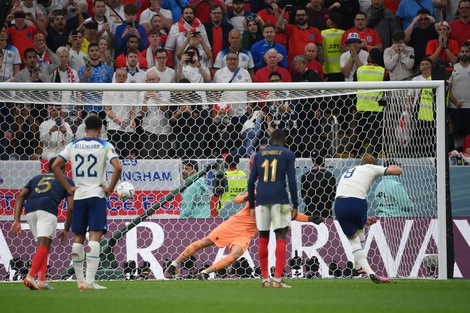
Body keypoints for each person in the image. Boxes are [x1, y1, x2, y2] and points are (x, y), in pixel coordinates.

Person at [163, 191, 323, 280]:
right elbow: (238, 199)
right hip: (233, 224)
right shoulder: (256, 192)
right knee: (204, 242)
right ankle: (174, 264)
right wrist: (249, 197)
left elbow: (292, 214)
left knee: (236, 254)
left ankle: (205, 273)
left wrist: (310, 219)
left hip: (246, 233)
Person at [51, 115, 122, 290]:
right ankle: (90, 282)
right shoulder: (105, 145)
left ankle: (80, 281)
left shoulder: (73, 145)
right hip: (96, 194)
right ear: (101, 130)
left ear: (83, 129)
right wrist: (110, 188)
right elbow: (118, 166)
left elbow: (54, 166)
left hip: (79, 195)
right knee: (95, 236)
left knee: (78, 237)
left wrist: (68, 187)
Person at [334, 154, 402, 284]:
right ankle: (369, 271)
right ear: (373, 164)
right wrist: (393, 166)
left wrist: (364, 219)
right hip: (357, 203)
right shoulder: (371, 168)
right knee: (359, 234)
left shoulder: (350, 170)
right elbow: (397, 171)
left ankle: (357, 268)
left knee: (355, 239)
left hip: (339, 204)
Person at [11, 157, 74, 290]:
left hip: (30, 210)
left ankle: (42, 281)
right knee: (44, 245)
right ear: (63, 169)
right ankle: (30, 276)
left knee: (43, 245)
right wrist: (67, 229)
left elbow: (21, 196)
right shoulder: (66, 180)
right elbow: (71, 207)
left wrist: (16, 219)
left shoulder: (36, 179)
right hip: (47, 208)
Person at [247, 129, 299, 288]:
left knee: (263, 237)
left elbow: (250, 182)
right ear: (285, 140)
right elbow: (291, 181)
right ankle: (277, 280)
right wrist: (295, 204)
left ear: (270, 139)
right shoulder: (288, 154)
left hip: (262, 199)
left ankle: (264, 280)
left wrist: (251, 205)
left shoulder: (259, 154)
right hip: (280, 198)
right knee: (281, 236)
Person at [448, 44, 470, 150]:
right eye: (462, 51)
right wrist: (456, 102)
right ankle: (454, 156)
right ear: (458, 54)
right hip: (455, 108)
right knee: (454, 135)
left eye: (467, 51)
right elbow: (447, 89)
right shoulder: (453, 69)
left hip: (469, 107)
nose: (464, 53)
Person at [301, 153, 336, 218]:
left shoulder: (305, 176)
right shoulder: (330, 176)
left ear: (312, 161)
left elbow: (304, 196)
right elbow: (333, 196)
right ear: (323, 161)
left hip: (310, 213)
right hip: (326, 213)